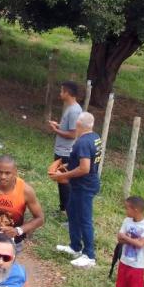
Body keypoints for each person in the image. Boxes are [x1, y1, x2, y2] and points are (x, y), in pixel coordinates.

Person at [50, 112, 102, 268]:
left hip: (84, 186)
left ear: (79, 125)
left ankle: (89, 255)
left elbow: (85, 168)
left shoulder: (82, 142)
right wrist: (68, 165)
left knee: (85, 219)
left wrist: (63, 176)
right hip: (81, 185)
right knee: (72, 211)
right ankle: (75, 246)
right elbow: (87, 161)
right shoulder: (95, 137)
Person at [47, 81, 82, 215]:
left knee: (63, 180)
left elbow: (73, 134)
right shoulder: (72, 108)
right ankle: (63, 208)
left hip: (66, 152)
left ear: (67, 93)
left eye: (62, 91)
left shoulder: (74, 111)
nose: (60, 93)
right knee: (61, 179)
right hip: (62, 150)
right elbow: (69, 127)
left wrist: (56, 130)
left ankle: (66, 210)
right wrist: (59, 125)